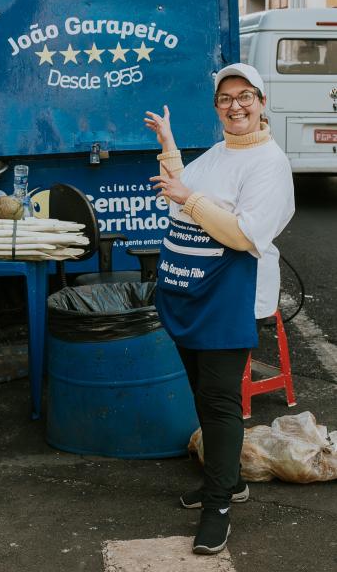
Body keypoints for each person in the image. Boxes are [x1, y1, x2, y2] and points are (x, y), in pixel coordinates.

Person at [144, 62, 294, 556]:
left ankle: (219, 507)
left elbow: (243, 234)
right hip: (193, 292)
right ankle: (227, 482)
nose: (236, 105)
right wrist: (169, 145)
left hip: (230, 297)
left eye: (245, 96)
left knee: (221, 400)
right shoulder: (219, 151)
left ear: (262, 101)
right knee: (202, 394)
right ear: (218, 108)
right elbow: (181, 192)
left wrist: (190, 199)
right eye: (226, 99)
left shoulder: (269, 163)